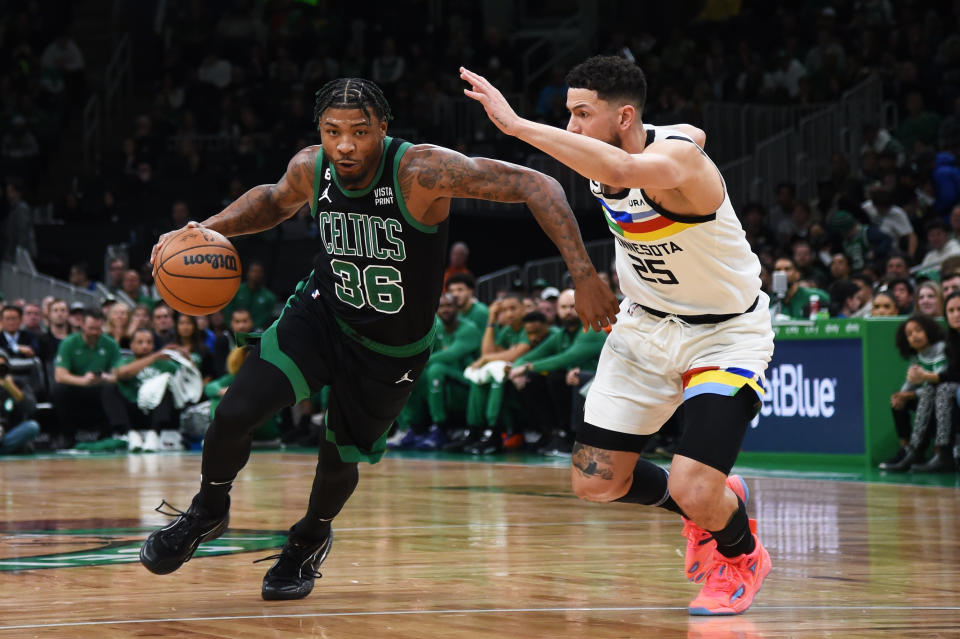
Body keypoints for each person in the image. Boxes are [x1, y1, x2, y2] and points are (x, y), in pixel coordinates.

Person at [139, 77, 618, 601]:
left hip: (392, 346)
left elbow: (538, 185)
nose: (345, 145)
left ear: (383, 129)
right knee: (234, 410)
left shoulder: (420, 169)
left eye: (360, 132)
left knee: (338, 456)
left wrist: (585, 275)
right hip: (322, 315)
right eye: (332, 132)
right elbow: (274, 201)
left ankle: (308, 539)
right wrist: (204, 231)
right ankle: (208, 510)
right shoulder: (311, 166)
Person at [462, 56, 773, 615]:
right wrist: (584, 275)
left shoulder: (679, 160)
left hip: (724, 336)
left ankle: (739, 555)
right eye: (568, 115)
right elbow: (613, 159)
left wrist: (515, 126)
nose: (573, 127)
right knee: (595, 483)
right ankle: (713, 508)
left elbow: (650, 159)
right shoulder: (605, 152)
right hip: (644, 329)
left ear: (624, 117)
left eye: (582, 114)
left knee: (693, 487)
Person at [878, 315, 951, 472]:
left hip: (943, 399)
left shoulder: (941, 349)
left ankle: (935, 452)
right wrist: (900, 396)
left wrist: (911, 395)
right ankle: (906, 449)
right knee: (898, 402)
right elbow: (909, 386)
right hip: (927, 397)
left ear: (929, 330)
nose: (914, 336)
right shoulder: (917, 358)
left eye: (918, 330)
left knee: (927, 395)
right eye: (909, 334)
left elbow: (939, 381)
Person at [0, 349, 40, 454]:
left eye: (2, 367)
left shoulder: (18, 383)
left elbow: (31, 408)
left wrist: (11, 387)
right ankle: (12, 449)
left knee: (32, 426)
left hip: (10, 432)